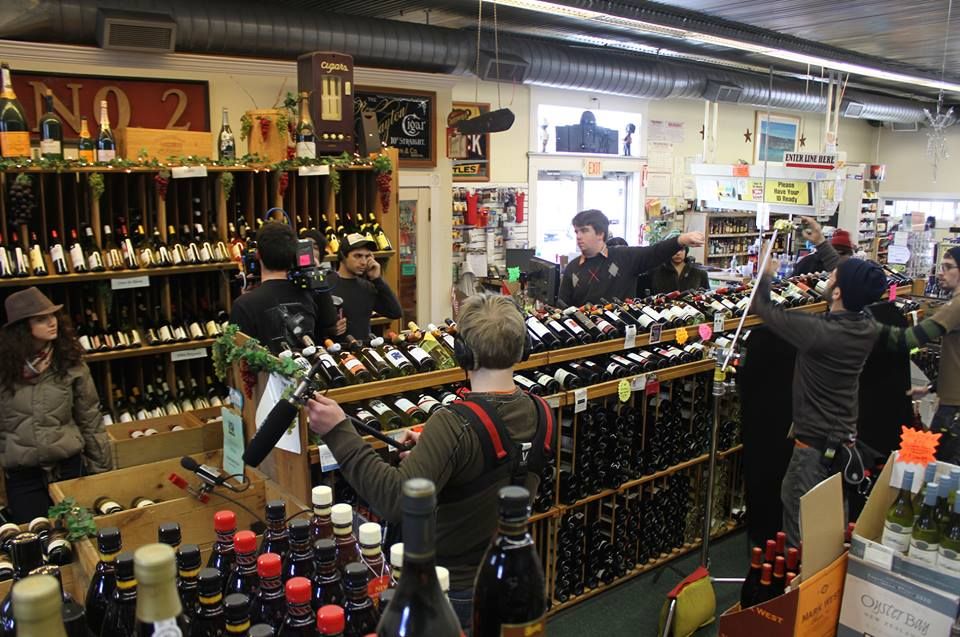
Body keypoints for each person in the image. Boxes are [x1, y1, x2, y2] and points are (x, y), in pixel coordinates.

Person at [306, 294, 554, 631]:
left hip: (451, 592)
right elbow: (496, 467)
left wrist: (338, 431)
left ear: (462, 352)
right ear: (522, 347)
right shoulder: (542, 411)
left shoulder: (452, 423)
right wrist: (435, 453)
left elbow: (395, 499)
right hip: (505, 577)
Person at [751, 217, 887, 547]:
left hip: (813, 451)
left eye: (833, 277)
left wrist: (764, 274)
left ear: (837, 291)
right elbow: (849, 276)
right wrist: (821, 242)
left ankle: (803, 578)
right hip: (843, 445)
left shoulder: (819, 333)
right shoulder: (866, 323)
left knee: (802, 534)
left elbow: (762, 308)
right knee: (831, 526)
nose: (829, 275)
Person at [0, 287, 112, 522]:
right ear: (21, 328)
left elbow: (90, 418)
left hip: (69, 469)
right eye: (41, 319)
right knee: (36, 538)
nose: (52, 322)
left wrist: (101, 472)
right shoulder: (4, 370)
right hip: (23, 477)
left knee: (80, 535)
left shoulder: (70, 363)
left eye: (53, 316)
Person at [879, 246, 960, 464]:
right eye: (941, 266)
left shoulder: (956, 305)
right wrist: (931, 387)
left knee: (940, 466)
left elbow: (911, 339)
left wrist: (866, 328)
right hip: (952, 401)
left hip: (954, 408)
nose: (940, 272)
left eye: (948, 267)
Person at [229, 221, 339, 354]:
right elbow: (330, 323)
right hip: (309, 364)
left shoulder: (243, 305)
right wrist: (316, 272)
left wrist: (247, 300)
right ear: (293, 254)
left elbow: (237, 355)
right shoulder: (310, 294)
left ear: (258, 255)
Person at [559, 209, 703, 306]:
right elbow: (563, 307)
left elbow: (655, 252)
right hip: (587, 336)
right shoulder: (573, 268)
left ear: (600, 234)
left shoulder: (625, 257)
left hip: (622, 334)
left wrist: (680, 240)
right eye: (576, 231)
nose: (578, 236)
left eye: (584, 231)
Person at [334, 232, 402, 341]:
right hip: (335, 349)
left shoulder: (367, 287)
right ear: (342, 256)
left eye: (367, 256)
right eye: (358, 256)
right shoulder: (327, 285)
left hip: (363, 349)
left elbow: (395, 312)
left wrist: (377, 279)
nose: (363, 262)